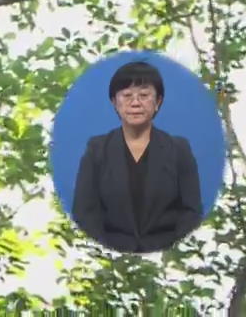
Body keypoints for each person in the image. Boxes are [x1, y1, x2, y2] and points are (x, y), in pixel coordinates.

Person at [70, 61, 203, 252]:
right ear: (114, 102)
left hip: (167, 254)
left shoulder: (178, 149)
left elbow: (191, 212)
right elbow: (85, 212)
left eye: (144, 95)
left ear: (158, 102)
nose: (135, 102)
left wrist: (170, 253)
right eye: (127, 95)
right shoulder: (97, 149)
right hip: (110, 256)